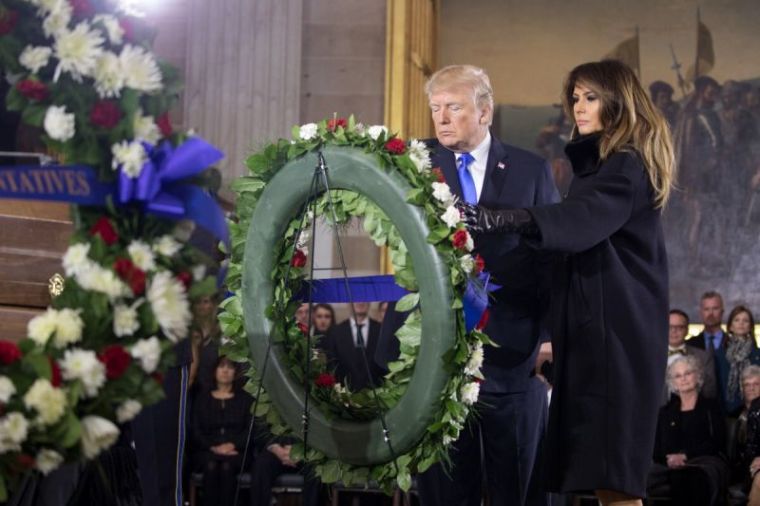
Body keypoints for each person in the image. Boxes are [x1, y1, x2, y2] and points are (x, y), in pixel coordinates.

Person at [462, 60, 675, 505]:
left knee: (616, 478)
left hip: (617, 340)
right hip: (598, 336)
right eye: (575, 98)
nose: (578, 107)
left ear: (618, 102)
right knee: (604, 478)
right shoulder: (602, 168)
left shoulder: (627, 164)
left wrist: (504, 217)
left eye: (591, 97)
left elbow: (578, 221)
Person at [407, 64, 559, 506]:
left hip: (513, 354)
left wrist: (548, 337)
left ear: (485, 112)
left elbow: (550, 256)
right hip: (440, 355)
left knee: (516, 485)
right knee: (448, 488)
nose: (441, 118)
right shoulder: (417, 165)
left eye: (453, 107)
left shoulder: (531, 170)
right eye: (436, 108)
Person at [648, 356, 729, 506]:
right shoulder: (665, 412)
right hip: (670, 464)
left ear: (697, 375)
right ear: (672, 383)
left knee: (688, 477)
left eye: (688, 373)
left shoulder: (711, 407)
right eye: (678, 376)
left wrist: (685, 456)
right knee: (645, 477)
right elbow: (656, 448)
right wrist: (670, 458)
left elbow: (716, 442)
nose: (683, 379)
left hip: (704, 462)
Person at [191, 356, 252, 506]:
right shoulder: (202, 399)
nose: (225, 370)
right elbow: (196, 430)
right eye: (221, 366)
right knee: (211, 466)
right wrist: (213, 447)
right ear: (214, 371)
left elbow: (250, 430)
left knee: (226, 467)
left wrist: (232, 445)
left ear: (235, 372)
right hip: (207, 451)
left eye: (230, 367)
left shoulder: (245, 399)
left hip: (237, 452)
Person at [319, 302, 383, 391]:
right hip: (344, 395)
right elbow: (332, 365)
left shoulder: (381, 330)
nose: (360, 301)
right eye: (355, 298)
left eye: (363, 298)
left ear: (369, 302)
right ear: (349, 303)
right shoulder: (335, 332)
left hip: (377, 394)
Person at [665, 309, 716, 403]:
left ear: (687, 330)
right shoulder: (652, 357)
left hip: (694, 411)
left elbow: (710, 390)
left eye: (679, 327)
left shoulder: (704, 357)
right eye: (669, 327)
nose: (674, 331)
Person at [718, 306, 760, 414]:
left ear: (750, 326)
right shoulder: (720, 354)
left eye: (745, 320)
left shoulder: (757, 354)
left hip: (756, 410)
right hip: (727, 411)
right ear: (730, 326)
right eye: (737, 320)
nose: (741, 323)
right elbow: (717, 386)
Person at [732, 365, 760, 505]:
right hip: (737, 468)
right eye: (747, 385)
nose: (751, 388)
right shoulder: (735, 414)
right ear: (742, 388)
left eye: (756, 384)